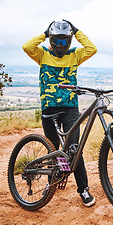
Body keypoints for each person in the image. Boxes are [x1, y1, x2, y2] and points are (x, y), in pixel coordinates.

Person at [22, 20, 97, 207]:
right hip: (49, 109)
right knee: (53, 149)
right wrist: (45, 33)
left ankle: (84, 190)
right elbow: (26, 46)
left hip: (70, 108)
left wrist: (77, 31)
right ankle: (51, 185)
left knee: (74, 149)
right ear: (52, 40)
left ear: (70, 41)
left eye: (65, 41)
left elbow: (92, 48)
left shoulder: (75, 55)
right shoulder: (42, 54)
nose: (61, 46)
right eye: (58, 41)